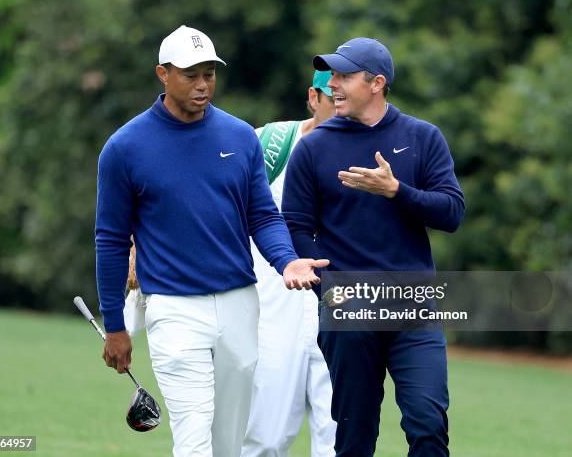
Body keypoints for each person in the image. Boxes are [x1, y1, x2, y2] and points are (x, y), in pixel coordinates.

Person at [95, 25, 328, 457]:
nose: (203, 85)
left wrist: (287, 261)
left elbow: (262, 215)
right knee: (194, 431)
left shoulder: (240, 137)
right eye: (191, 74)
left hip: (241, 303)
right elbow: (109, 241)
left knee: (229, 439)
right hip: (174, 308)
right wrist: (115, 325)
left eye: (210, 73)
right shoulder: (124, 148)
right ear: (162, 74)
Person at [282, 38, 465, 456]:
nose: (334, 86)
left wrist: (397, 190)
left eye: (345, 76)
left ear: (377, 83)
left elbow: (452, 213)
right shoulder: (312, 148)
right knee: (354, 438)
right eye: (332, 77)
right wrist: (327, 286)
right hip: (348, 312)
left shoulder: (422, 137)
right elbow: (295, 225)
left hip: (413, 309)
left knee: (428, 424)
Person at [241, 71, 337, 457]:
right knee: (265, 437)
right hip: (273, 309)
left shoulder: (372, 152)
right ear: (313, 97)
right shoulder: (268, 142)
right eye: (335, 98)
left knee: (340, 438)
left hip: (341, 306)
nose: (344, 107)